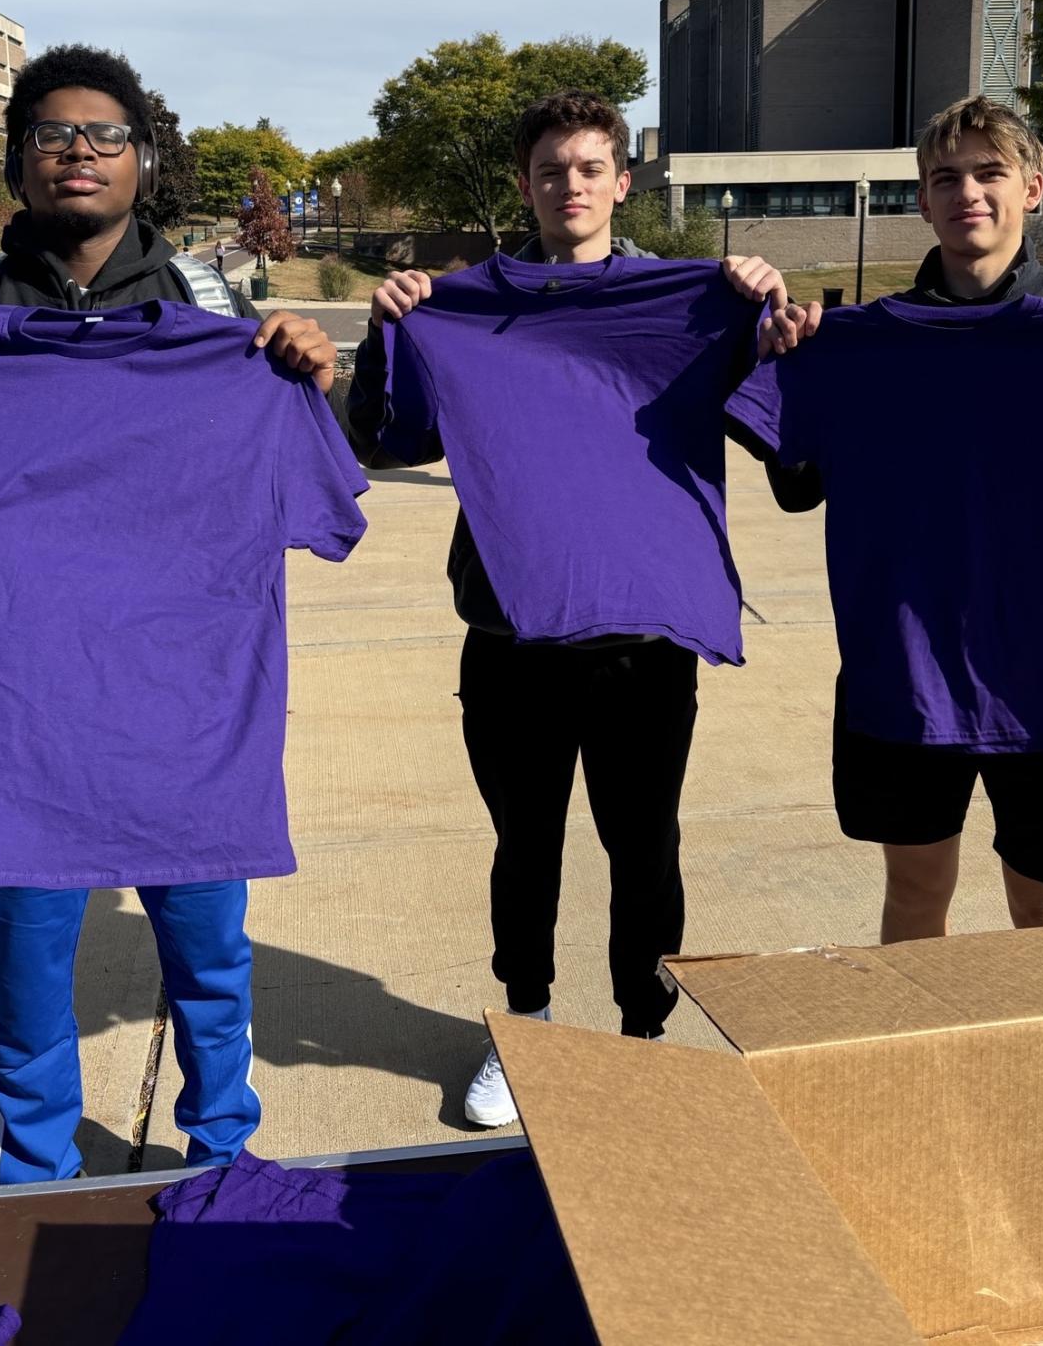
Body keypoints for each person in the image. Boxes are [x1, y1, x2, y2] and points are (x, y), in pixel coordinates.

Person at [0, 42, 341, 1182]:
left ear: (141, 160)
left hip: (180, 697)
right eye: (52, 133)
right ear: (18, 162)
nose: (78, 151)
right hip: (6, 707)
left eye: (104, 134)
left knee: (209, 948)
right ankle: (37, 1168)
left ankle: (222, 1154)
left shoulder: (214, 311)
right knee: (20, 962)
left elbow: (340, 479)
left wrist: (312, 377)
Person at [344, 89, 812, 1127]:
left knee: (644, 845)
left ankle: (644, 1031)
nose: (571, 184)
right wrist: (389, 332)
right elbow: (390, 440)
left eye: (590, 167)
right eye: (551, 168)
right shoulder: (464, 305)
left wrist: (766, 315)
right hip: (509, 631)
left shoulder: (690, 302)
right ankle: (528, 1023)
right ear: (526, 184)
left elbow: (787, 443)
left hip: (641, 636)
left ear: (621, 182)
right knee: (528, 844)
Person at [729, 93, 1043, 945]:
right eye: (945, 177)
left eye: (990, 172)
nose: (968, 191)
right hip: (904, 660)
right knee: (914, 892)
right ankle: (915, 1070)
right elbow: (799, 486)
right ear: (924, 199)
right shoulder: (855, 344)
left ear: (1035, 188)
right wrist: (791, 358)